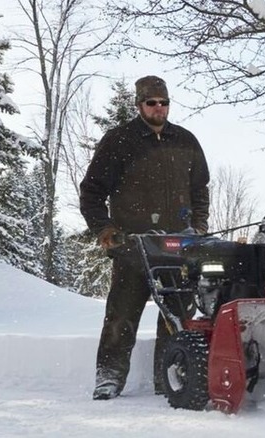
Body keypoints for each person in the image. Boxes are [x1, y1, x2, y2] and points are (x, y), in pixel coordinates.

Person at [79, 75, 211, 400]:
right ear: (139, 105)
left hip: (178, 247)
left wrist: (199, 227)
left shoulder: (186, 141)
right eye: (152, 103)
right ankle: (108, 376)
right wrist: (106, 229)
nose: (158, 108)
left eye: (164, 103)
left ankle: (168, 375)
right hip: (132, 246)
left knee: (178, 317)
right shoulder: (119, 140)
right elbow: (92, 192)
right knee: (122, 315)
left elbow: (200, 191)